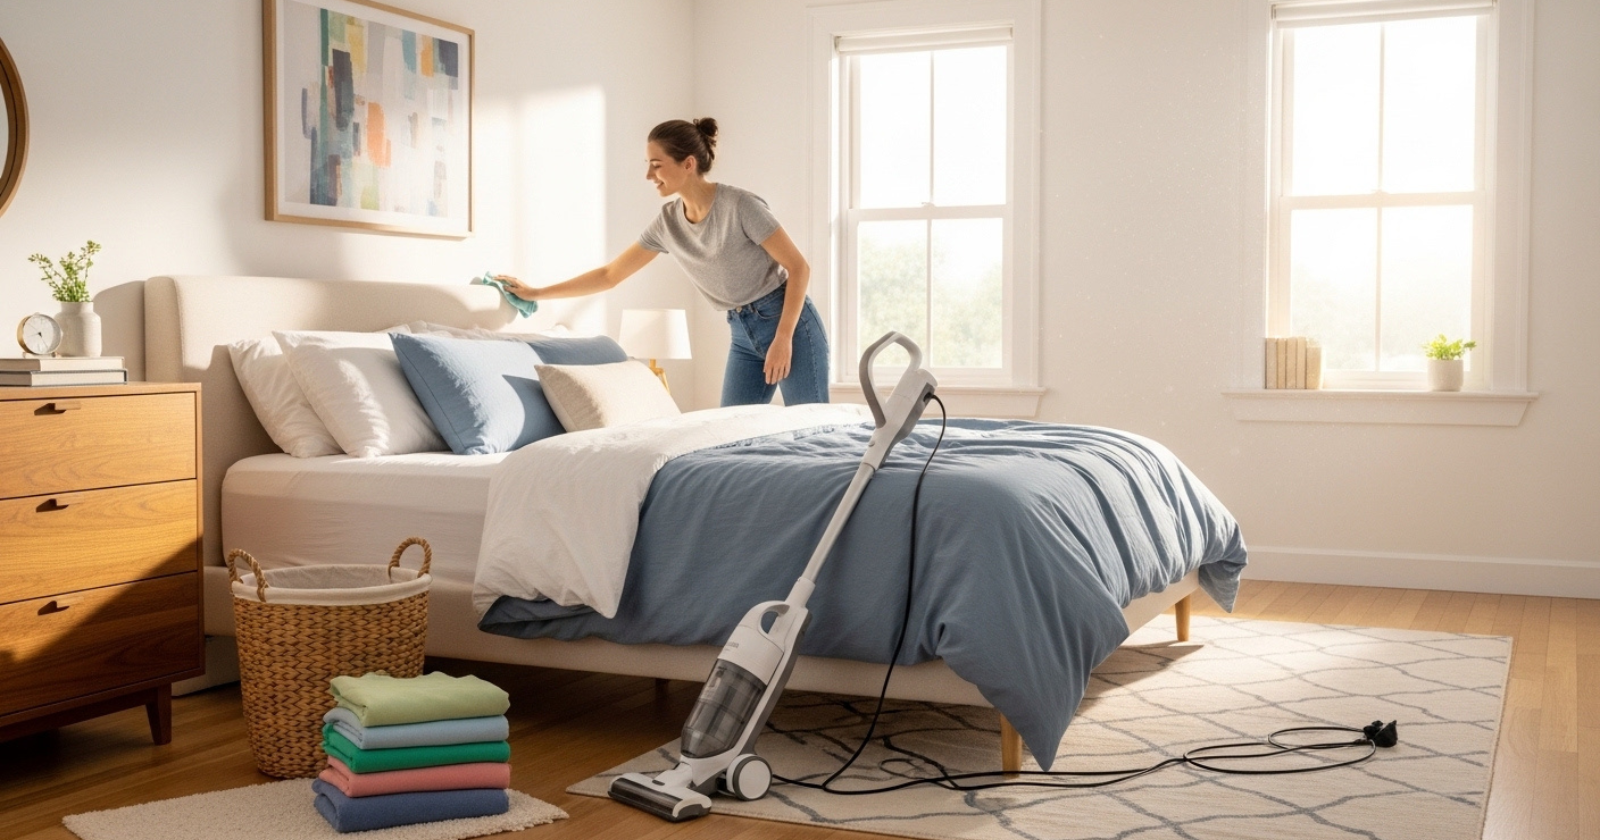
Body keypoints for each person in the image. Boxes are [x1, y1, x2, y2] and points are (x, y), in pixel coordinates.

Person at [496, 118, 829, 407]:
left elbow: (799, 267)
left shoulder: (740, 206)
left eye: (656, 165)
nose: (648, 175)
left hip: (789, 322)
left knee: (814, 423)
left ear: (688, 164)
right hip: (741, 331)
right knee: (730, 434)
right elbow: (610, 275)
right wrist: (535, 293)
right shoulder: (667, 223)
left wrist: (783, 338)